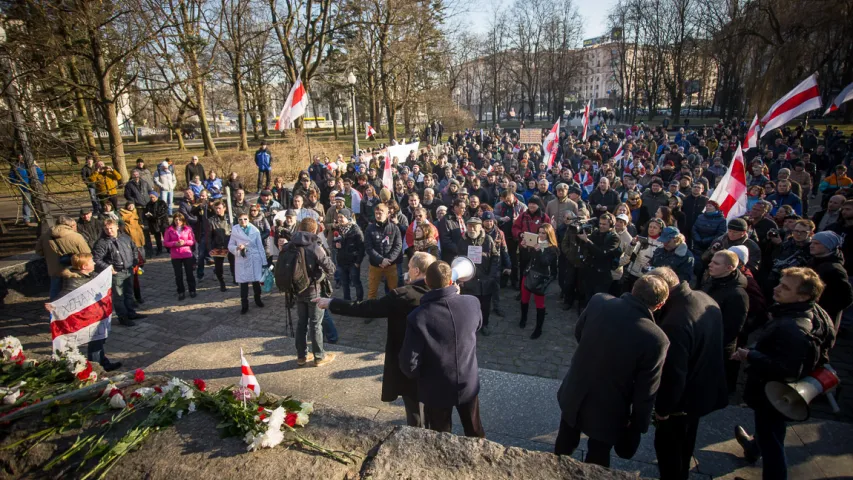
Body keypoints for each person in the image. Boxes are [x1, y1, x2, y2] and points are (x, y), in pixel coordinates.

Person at [555, 274, 670, 467]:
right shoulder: (656, 339)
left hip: (575, 390)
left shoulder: (599, 301)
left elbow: (579, 333)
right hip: (610, 407)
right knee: (598, 458)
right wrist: (637, 425)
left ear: (633, 289)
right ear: (659, 305)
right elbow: (646, 390)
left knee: (563, 444)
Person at [733, 268, 835, 480]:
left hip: (775, 391)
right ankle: (754, 447)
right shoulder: (814, 312)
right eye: (780, 283)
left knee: (773, 438)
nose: (777, 288)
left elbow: (787, 370)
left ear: (803, 295)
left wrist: (750, 355)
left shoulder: (793, 328)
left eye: (785, 287)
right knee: (769, 429)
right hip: (774, 389)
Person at [314, 252, 437, 426]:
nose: (407, 270)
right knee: (433, 407)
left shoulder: (402, 295)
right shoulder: (443, 292)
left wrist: (332, 302)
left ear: (416, 271)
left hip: (410, 359)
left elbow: (367, 308)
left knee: (414, 408)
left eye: (409, 267)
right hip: (434, 361)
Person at [650, 267, 728, 480]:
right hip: (703, 389)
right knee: (686, 443)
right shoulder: (704, 298)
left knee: (670, 450)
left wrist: (663, 409)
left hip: (683, 401)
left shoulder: (674, 322)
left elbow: (674, 374)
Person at [399, 261, 485, 437]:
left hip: (435, 389)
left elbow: (409, 364)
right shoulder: (473, 303)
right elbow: (477, 326)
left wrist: (422, 377)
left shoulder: (417, 317)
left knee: (440, 437)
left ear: (428, 283)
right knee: (475, 431)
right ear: (451, 281)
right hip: (467, 383)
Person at [277, 217, 337, 367]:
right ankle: (319, 356)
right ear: (314, 230)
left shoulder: (290, 244)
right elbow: (331, 268)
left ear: (299, 228)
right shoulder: (314, 246)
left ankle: (301, 356)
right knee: (316, 324)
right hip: (313, 290)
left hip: (297, 290)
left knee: (301, 323)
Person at [52, 253, 122, 370]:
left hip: (96, 316)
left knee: (99, 341)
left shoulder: (91, 275)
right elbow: (63, 297)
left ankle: (102, 361)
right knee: (95, 342)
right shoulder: (73, 281)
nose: (94, 263)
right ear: (84, 266)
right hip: (87, 320)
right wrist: (53, 305)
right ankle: (97, 367)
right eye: (91, 262)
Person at [702, 250, 750, 393]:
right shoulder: (711, 281)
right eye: (711, 261)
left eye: (716, 263)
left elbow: (732, 329)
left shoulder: (738, 295)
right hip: (703, 341)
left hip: (716, 349)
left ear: (730, 268)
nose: (710, 265)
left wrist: (710, 345)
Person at [92, 219, 145, 326]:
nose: (109, 231)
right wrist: (108, 267)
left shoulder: (124, 237)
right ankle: (123, 317)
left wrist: (134, 261)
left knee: (129, 293)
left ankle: (131, 313)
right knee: (119, 296)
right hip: (116, 273)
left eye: (111, 228)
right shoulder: (101, 243)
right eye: (106, 229)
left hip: (128, 270)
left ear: (116, 227)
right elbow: (97, 259)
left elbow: (134, 249)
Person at [457, 217, 500, 336]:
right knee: (469, 306)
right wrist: (461, 278)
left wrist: (491, 276)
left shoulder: (488, 239)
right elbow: (459, 258)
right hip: (469, 279)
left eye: (474, 226)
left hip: (485, 280)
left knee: (485, 306)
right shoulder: (463, 240)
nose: (471, 228)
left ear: (480, 227)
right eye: (469, 226)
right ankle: (471, 325)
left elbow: (495, 257)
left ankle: (484, 324)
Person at [35, 215, 91, 300]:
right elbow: (87, 254)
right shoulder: (76, 236)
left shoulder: (45, 236)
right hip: (73, 270)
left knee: (55, 292)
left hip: (54, 269)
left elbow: (39, 252)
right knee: (74, 292)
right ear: (70, 225)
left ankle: (54, 311)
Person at [519, 223, 559, 338]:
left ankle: (538, 328)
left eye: (543, 233)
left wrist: (538, 250)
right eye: (539, 232)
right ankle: (523, 318)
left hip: (541, 278)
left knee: (539, 304)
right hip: (529, 274)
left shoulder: (553, 249)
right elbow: (527, 258)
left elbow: (545, 262)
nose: (540, 235)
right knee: (524, 299)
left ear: (549, 234)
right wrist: (525, 247)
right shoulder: (536, 243)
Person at [808, 231, 853, 332]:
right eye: (812, 242)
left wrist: (825, 310)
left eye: (816, 243)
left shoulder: (835, 269)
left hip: (825, 319)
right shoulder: (813, 261)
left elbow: (846, 298)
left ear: (828, 246)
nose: (812, 246)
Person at [577, 212, 621, 305]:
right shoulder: (596, 232)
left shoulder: (614, 237)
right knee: (588, 298)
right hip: (590, 271)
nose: (601, 226)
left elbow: (602, 253)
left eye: (604, 224)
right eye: (600, 223)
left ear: (611, 224)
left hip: (602, 274)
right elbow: (587, 247)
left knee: (598, 301)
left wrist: (587, 241)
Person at [229, 212, 267, 314]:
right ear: (238, 221)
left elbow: (260, 246)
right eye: (240, 219)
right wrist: (237, 247)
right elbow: (230, 245)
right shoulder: (235, 230)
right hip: (242, 259)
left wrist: (264, 261)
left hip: (255, 258)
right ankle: (244, 304)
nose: (243, 221)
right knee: (244, 283)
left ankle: (258, 299)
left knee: (256, 281)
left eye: (245, 219)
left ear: (249, 219)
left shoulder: (255, 231)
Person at [365, 203, 403, 301]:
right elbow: (368, 248)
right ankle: (370, 311)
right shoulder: (369, 229)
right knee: (372, 291)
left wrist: (388, 260)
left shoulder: (394, 228)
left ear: (387, 214)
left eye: (380, 213)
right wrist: (381, 260)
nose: (378, 215)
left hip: (391, 265)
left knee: (394, 291)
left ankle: (393, 311)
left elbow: (398, 246)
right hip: (375, 265)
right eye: (376, 213)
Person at [163, 212, 197, 300]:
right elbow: (166, 242)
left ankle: (192, 290)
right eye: (176, 219)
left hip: (186, 253)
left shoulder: (188, 229)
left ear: (183, 220)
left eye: (179, 220)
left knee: (189, 273)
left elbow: (192, 241)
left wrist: (184, 242)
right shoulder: (169, 230)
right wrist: (175, 243)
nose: (178, 221)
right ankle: (181, 291)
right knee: (178, 275)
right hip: (176, 255)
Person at [333, 208, 365, 301]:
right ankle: (347, 301)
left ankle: (359, 301)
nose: (339, 219)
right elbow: (333, 242)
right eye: (338, 217)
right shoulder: (338, 229)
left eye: (341, 217)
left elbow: (362, 248)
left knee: (356, 283)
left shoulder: (356, 230)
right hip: (342, 262)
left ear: (347, 217)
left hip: (353, 262)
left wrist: (358, 262)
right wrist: (335, 245)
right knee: (344, 283)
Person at [207, 200, 235, 291]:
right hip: (218, 246)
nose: (218, 210)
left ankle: (235, 278)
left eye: (219, 208)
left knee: (234, 264)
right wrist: (210, 248)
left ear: (224, 208)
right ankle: (222, 282)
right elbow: (209, 237)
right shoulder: (211, 221)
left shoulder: (231, 219)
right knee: (219, 267)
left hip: (230, 245)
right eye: (216, 208)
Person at [143, 192, 168, 256]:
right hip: (153, 223)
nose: (152, 199)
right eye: (151, 197)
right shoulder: (148, 204)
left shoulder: (162, 203)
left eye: (153, 197)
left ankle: (168, 248)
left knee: (166, 236)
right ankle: (159, 249)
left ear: (156, 197)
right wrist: (149, 216)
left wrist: (155, 216)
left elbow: (164, 213)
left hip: (162, 222)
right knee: (157, 238)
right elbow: (146, 213)